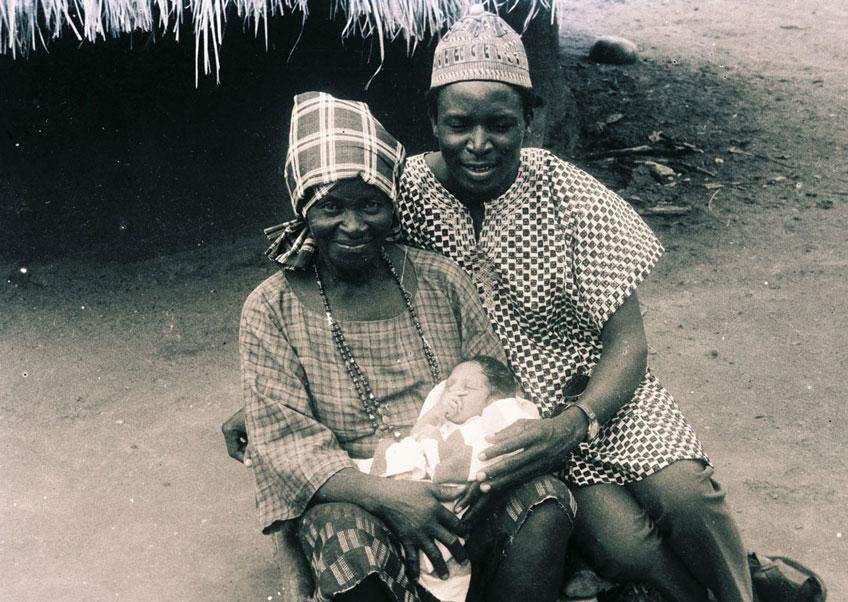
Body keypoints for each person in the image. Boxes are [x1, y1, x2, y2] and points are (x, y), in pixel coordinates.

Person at [225, 6, 752, 600]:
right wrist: (262, 404)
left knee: (689, 499)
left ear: (530, 118)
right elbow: (325, 245)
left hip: (597, 401)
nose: (478, 145)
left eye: (501, 124)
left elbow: (628, 341)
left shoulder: (570, 196)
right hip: (495, 421)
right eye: (458, 125)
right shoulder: (404, 187)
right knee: (630, 545)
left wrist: (577, 422)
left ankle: (744, 589)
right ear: (433, 121)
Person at [240, 90, 574, 602]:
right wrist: (395, 499)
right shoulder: (270, 309)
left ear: (392, 207)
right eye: (331, 207)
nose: (353, 226)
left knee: (544, 503)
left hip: (462, 479)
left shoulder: (440, 280)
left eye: (371, 204)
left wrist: (479, 479)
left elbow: (495, 385)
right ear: (304, 207)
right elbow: (290, 450)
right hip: (355, 493)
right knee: (345, 542)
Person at [358, 356, 541, 602]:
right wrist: (435, 416)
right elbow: (418, 439)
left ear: (495, 397)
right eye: (450, 386)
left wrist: (431, 451)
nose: (456, 392)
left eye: (469, 388)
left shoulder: (492, 418)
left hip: (462, 506)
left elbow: (474, 456)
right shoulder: (443, 426)